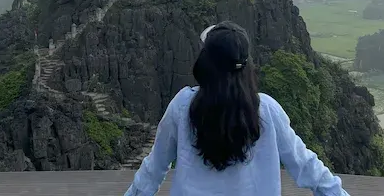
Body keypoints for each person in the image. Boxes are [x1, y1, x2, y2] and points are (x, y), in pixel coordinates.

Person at [123, 21, 350, 196]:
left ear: (205, 64)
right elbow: (305, 165)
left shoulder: (183, 106)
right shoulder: (267, 110)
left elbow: (154, 168)